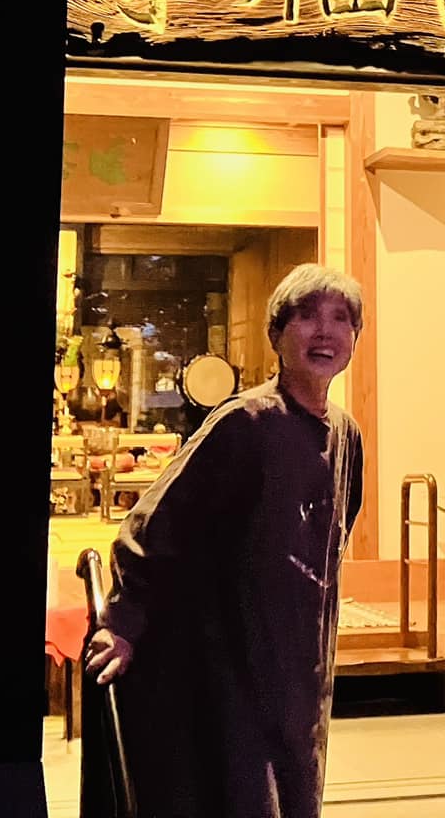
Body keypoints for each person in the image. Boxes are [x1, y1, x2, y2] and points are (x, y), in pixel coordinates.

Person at [84, 263, 365, 818]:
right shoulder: (244, 423)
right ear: (277, 334)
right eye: (307, 316)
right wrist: (123, 622)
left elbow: (333, 538)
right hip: (230, 659)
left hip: (301, 664)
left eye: (341, 319)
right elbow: (153, 525)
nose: (325, 332)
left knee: (297, 784)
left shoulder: (346, 434)